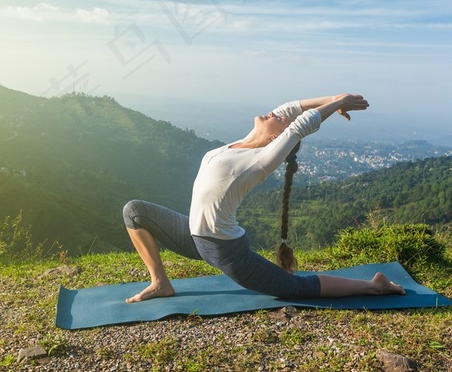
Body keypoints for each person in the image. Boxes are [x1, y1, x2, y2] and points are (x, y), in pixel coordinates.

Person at [122, 93, 405, 303]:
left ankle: (374, 286)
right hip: (195, 237)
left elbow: (300, 124)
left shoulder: (260, 160)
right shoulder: (241, 144)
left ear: (276, 140)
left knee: (296, 288)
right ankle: (160, 282)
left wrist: (338, 102)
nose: (274, 114)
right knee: (134, 212)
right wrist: (333, 97)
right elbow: (291, 109)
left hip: (225, 250)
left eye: (278, 120)